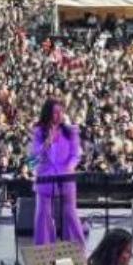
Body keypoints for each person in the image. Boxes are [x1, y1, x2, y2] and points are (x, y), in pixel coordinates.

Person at [31, 99, 85, 247]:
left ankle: (77, 250)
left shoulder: (71, 131)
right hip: (45, 178)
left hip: (66, 177)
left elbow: (76, 155)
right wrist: (46, 143)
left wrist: (70, 167)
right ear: (48, 113)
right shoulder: (38, 132)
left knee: (70, 214)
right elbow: (33, 160)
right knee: (43, 215)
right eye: (55, 112)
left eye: (61, 111)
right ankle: (44, 250)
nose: (59, 115)